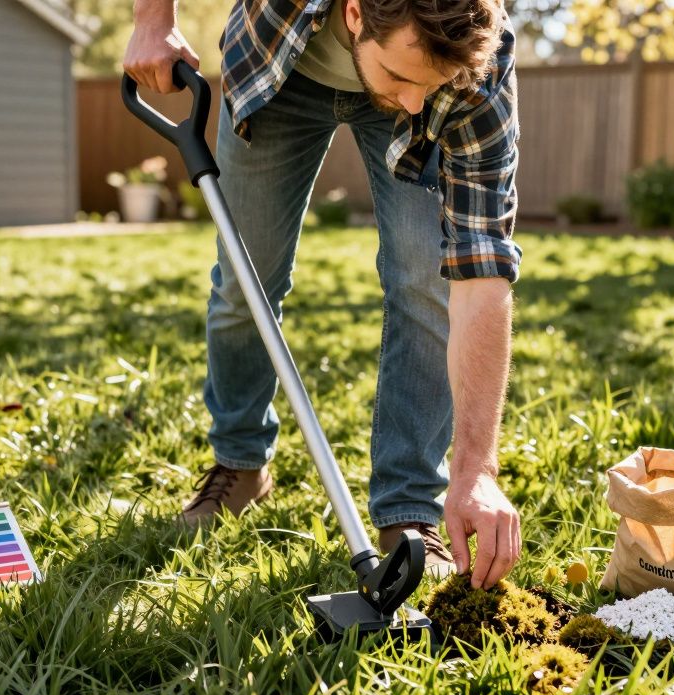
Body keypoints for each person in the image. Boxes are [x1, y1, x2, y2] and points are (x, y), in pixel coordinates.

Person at [124, 0, 522, 589]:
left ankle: (410, 509)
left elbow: (482, 272)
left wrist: (477, 470)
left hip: (419, 66)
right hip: (278, 64)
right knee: (244, 281)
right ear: (356, 13)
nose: (413, 104)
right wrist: (152, 21)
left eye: (427, 85)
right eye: (403, 78)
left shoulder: (473, 71)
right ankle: (240, 464)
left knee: (427, 283)